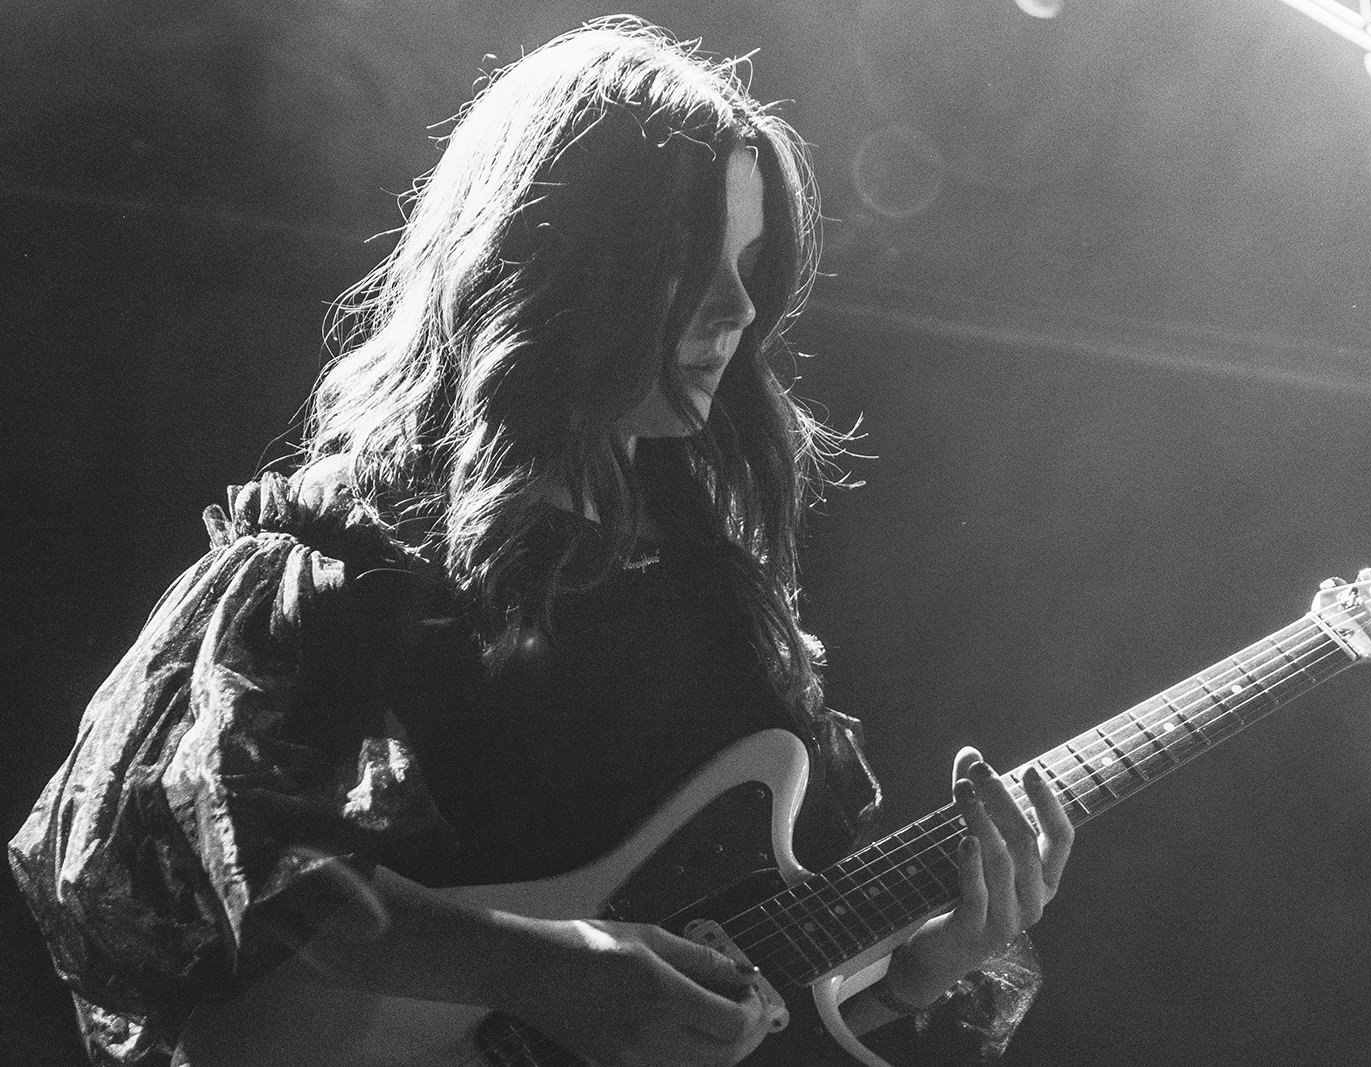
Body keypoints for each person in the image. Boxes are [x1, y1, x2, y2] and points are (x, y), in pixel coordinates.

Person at [9, 17, 1073, 1067]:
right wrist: (539, 967)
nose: (737, 308)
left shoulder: (733, 620)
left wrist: (932, 962)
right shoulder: (344, 553)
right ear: (560, 262)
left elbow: (761, 1010)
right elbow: (209, 854)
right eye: (692, 260)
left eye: (752, 264)